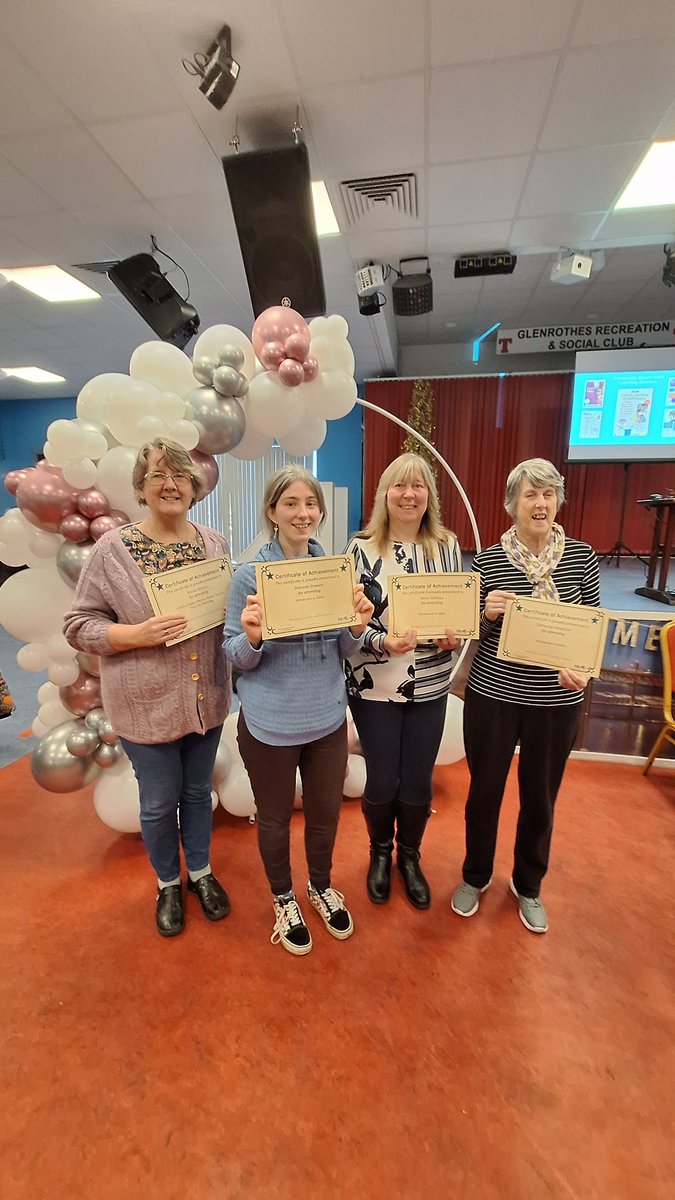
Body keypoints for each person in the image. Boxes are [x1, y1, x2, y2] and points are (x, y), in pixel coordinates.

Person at [64, 438, 231, 938]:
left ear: (194, 487)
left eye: (179, 475)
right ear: (141, 487)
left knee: (199, 793)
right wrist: (131, 635)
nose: (170, 484)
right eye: (158, 475)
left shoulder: (214, 543)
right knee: (159, 803)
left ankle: (199, 872)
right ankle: (167, 883)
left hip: (207, 701)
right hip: (145, 706)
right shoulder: (112, 551)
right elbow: (77, 625)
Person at [223, 465, 374, 957]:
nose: (302, 513)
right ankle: (284, 897)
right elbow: (234, 655)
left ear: (320, 513)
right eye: (290, 503)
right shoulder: (250, 575)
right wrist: (253, 638)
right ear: (272, 512)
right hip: (269, 723)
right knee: (273, 816)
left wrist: (355, 627)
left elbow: (345, 649)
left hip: (327, 718)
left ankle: (320, 885)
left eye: (310, 504)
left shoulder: (332, 569)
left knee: (326, 814)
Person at [450, 457, 600, 934]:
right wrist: (486, 613)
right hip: (493, 697)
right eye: (530, 494)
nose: (540, 503)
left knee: (541, 799)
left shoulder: (582, 557)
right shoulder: (488, 560)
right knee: (484, 793)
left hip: (556, 704)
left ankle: (528, 884)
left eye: (548, 494)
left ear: (558, 502)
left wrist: (581, 671)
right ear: (511, 504)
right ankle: (475, 876)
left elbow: (591, 629)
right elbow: (461, 628)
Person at [345, 452, 462, 909]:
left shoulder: (447, 546)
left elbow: (454, 610)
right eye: (399, 486)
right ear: (384, 495)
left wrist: (454, 635)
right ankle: (379, 852)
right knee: (383, 778)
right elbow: (347, 621)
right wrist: (380, 643)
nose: (409, 495)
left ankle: (409, 857)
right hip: (374, 682)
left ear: (429, 495)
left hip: (430, 682)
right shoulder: (359, 549)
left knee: (417, 781)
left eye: (418, 487)